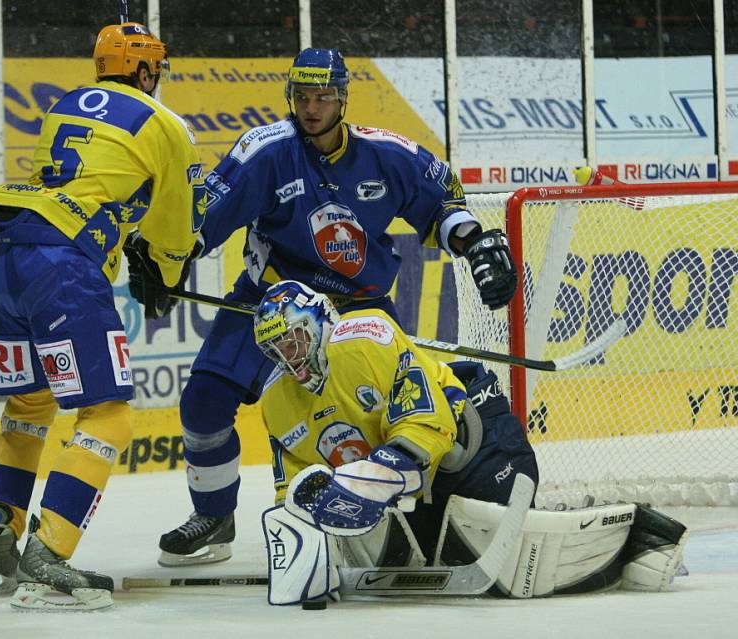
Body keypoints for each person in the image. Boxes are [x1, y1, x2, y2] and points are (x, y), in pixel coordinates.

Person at [154, 47, 519, 566]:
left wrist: (474, 241)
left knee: (396, 411)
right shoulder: (265, 151)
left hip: (359, 309)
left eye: (323, 96)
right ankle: (214, 516)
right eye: (302, 96)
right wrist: (163, 259)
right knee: (203, 404)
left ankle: (413, 516)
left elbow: (443, 204)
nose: (311, 107)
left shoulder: (387, 155)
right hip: (271, 303)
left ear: (343, 98)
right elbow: (203, 216)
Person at [251, 280, 689, 604]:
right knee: (413, 559)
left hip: (474, 442)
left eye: (294, 339)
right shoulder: (276, 400)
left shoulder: (365, 337)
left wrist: (370, 479)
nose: (289, 359)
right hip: (410, 488)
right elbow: (294, 484)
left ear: (322, 320)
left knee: (512, 566)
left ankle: (643, 535)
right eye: (276, 350)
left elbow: (429, 425)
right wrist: (303, 540)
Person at [0, 22, 204, 610]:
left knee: (28, 405)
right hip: (62, 265)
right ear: (148, 70)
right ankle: (49, 554)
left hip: (3, 248)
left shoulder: (63, 105)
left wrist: (126, 241)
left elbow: (90, 182)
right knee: (108, 416)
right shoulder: (166, 124)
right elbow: (175, 222)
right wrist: (167, 274)